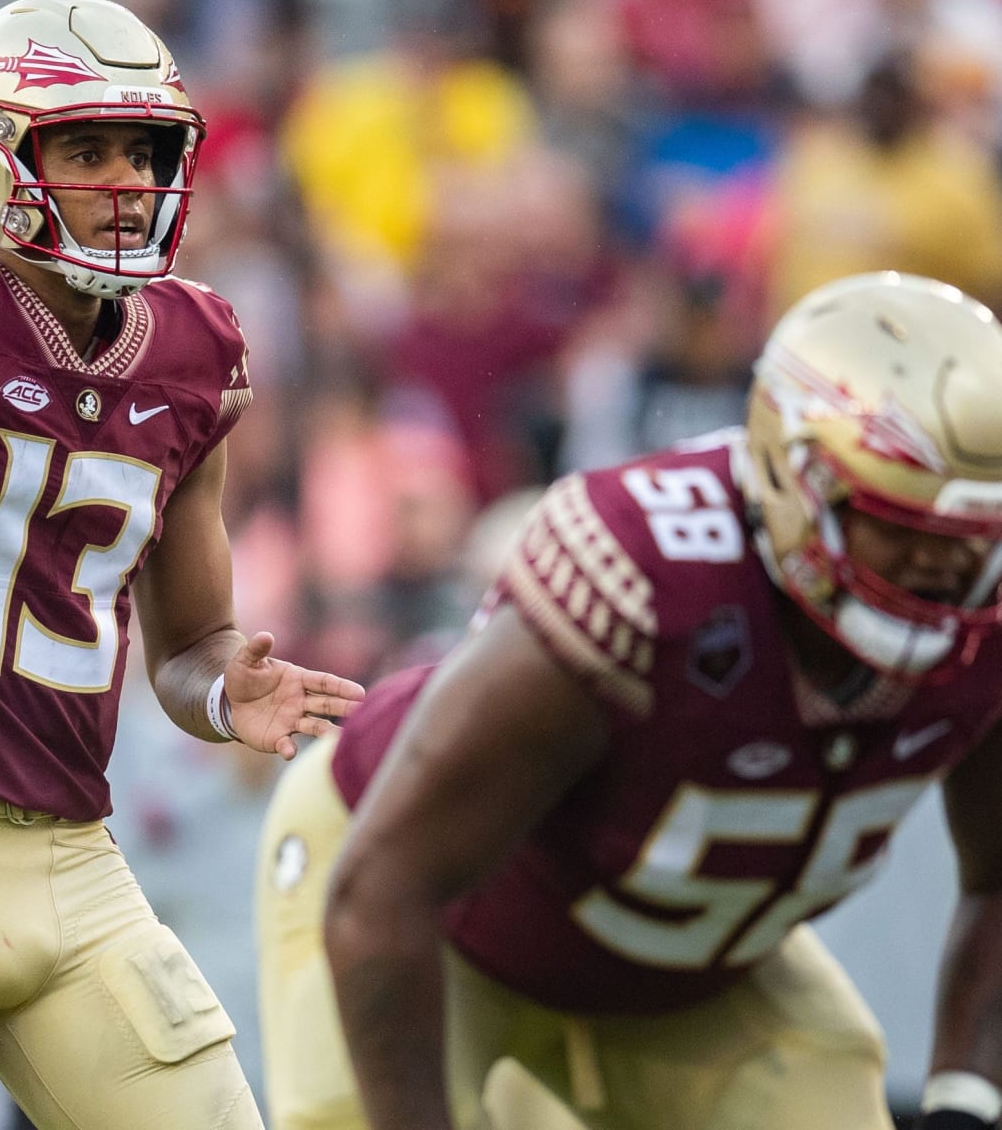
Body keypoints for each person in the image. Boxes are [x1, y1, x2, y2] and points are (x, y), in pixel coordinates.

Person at [257, 269, 1002, 1130]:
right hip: (422, 915)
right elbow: (385, 893)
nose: (946, 573)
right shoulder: (651, 580)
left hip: (684, 970)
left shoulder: (983, 625)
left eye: (975, 541)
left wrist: (964, 1103)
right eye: (902, 527)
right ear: (797, 482)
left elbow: (995, 882)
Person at [0, 0, 364, 1130]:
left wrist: (221, 688)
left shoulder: (195, 350)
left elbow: (188, 647)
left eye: (142, 148)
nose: (124, 179)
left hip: (73, 859)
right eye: (88, 148)